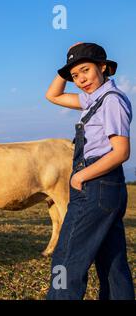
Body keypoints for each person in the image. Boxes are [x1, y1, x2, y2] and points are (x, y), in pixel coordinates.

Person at [45, 42, 134, 300]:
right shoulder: (93, 99)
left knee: (67, 258)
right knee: (112, 263)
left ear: (103, 67)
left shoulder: (111, 101)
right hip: (107, 188)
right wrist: (65, 69)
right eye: (74, 76)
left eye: (85, 70)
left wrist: (80, 175)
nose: (80, 80)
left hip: (96, 185)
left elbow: (121, 151)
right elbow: (53, 95)